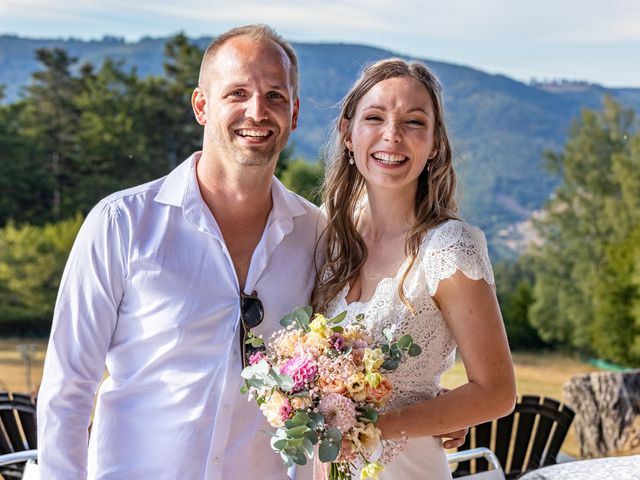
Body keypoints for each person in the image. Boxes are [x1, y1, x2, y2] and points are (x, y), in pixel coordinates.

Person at [37, 25, 324, 480]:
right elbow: (67, 390)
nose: (257, 111)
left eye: (275, 95)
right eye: (237, 92)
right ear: (201, 106)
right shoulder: (121, 224)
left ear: (295, 113)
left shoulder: (319, 236)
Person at [307, 59, 517, 479]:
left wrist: (371, 428)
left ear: (435, 143)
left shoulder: (449, 248)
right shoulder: (321, 231)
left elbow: (496, 392)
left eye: (414, 123)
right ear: (348, 134)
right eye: (374, 117)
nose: (392, 136)